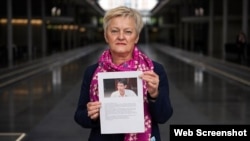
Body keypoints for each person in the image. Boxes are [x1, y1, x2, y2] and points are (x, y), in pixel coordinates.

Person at [74, 6, 173, 141]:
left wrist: (154, 95)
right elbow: (79, 116)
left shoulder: (154, 70)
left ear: (136, 37)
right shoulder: (92, 72)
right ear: (106, 36)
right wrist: (91, 114)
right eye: (114, 31)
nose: (121, 37)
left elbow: (164, 116)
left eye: (128, 31)